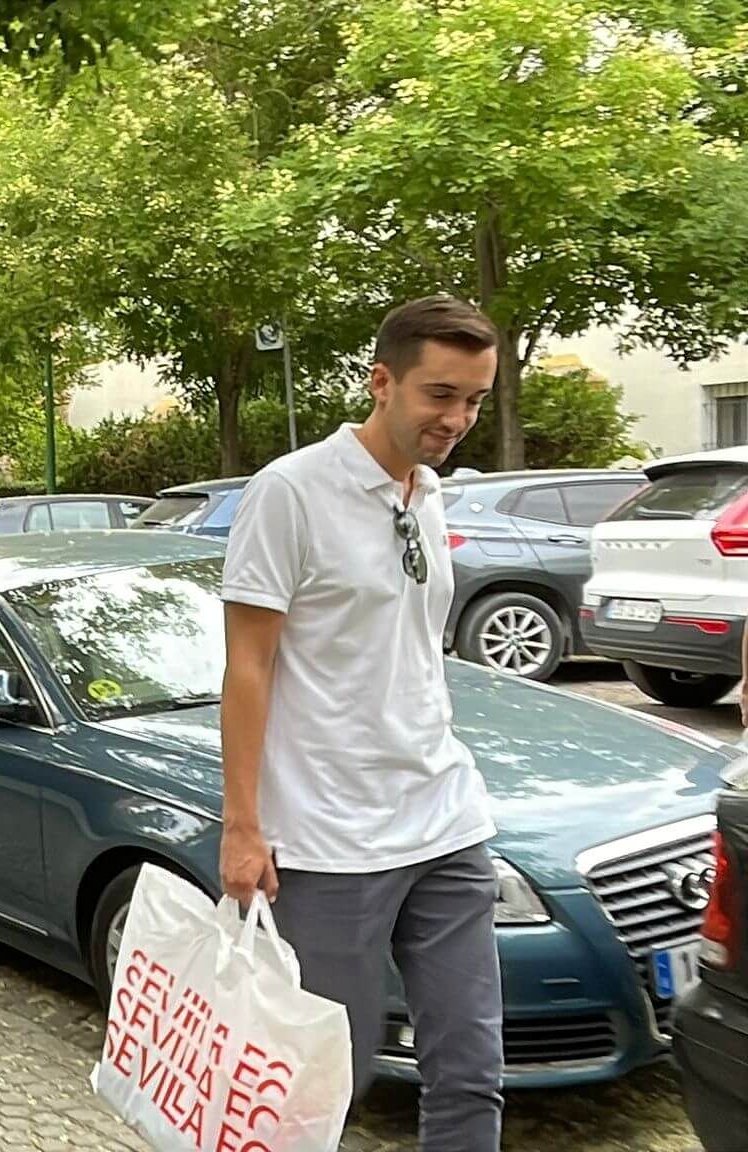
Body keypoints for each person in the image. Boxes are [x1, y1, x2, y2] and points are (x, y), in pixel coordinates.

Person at [219, 295, 504, 1151]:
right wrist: (243, 826)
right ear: (381, 382)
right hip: (331, 842)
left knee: (470, 1068)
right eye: (440, 395)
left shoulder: (429, 492)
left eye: (475, 401)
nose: (457, 419)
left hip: (446, 819)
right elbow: (246, 667)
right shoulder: (290, 492)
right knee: (323, 1089)